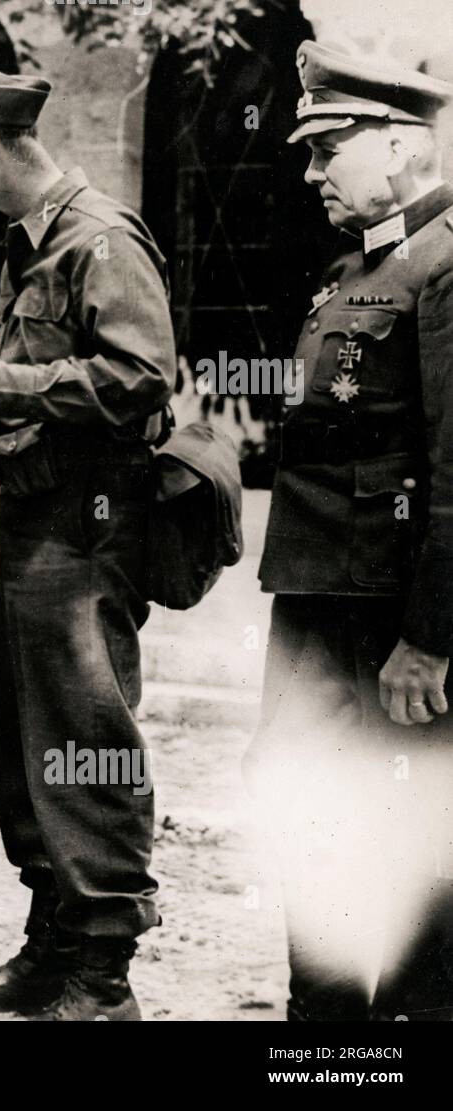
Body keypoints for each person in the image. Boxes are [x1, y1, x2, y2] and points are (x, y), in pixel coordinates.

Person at [0, 70, 176, 1020]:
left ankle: (104, 980)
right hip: (41, 529)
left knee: (87, 745)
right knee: (34, 749)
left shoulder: (97, 237)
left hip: (91, 533)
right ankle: (53, 947)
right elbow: (38, 394)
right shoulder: (34, 247)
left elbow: (141, 376)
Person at [242, 43, 453, 1022]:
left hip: (389, 626)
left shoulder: (443, 265)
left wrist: (431, 637)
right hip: (315, 614)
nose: (312, 171)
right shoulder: (348, 273)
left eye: (331, 148)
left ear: (406, 146)